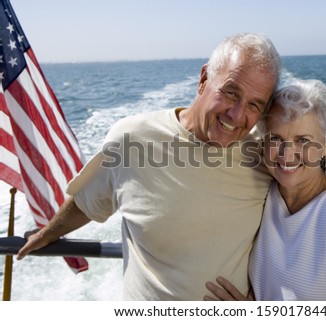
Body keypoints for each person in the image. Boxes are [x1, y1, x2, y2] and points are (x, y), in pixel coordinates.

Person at [16, 33, 282, 300]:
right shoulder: (131, 139)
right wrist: (47, 233)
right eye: (230, 92)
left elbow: (305, 222)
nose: (236, 115)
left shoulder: (266, 155)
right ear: (204, 79)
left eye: (253, 105)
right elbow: (87, 201)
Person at [204, 80, 326, 301]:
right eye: (276, 139)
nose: (287, 154)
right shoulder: (262, 190)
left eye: (303, 140)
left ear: (325, 146)